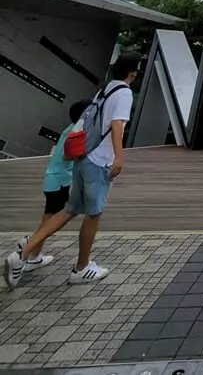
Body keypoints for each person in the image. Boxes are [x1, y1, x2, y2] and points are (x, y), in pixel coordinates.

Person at [4, 51, 141, 290]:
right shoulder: (125, 92)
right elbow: (118, 124)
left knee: (70, 209)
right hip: (100, 161)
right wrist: (119, 156)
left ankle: (24, 252)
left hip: (83, 158)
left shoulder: (105, 89)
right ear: (132, 72)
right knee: (94, 214)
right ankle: (81, 267)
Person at [17, 98, 93, 273]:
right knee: (54, 219)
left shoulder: (70, 129)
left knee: (50, 217)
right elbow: (68, 156)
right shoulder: (77, 132)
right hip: (59, 182)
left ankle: (34, 254)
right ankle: (30, 245)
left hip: (54, 180)